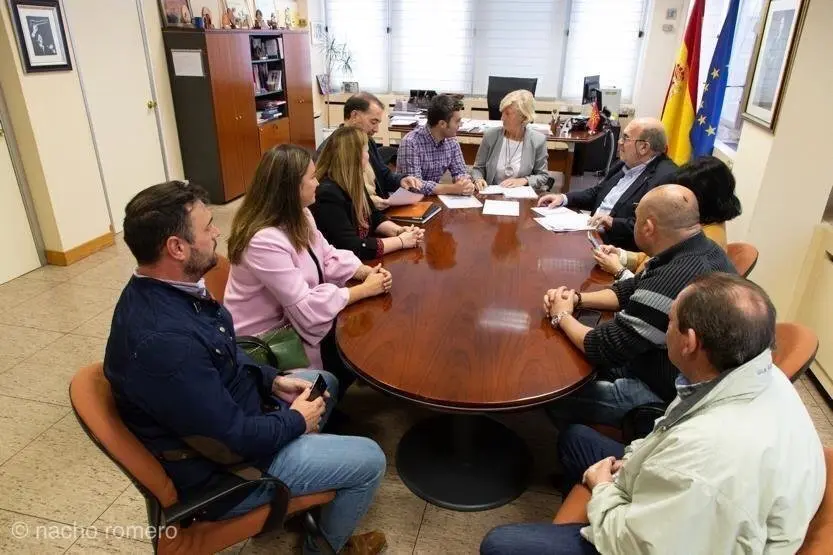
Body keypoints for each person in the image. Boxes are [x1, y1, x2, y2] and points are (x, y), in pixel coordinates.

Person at [104, 181, 388, 554]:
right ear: (177, 247)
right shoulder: (164, 343)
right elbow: (230, 441)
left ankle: (304, 489)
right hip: (228, 474)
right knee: (371, 459)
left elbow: (225, 351)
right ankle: (322, 549)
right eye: (207, 226)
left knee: (324, 382)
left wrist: (272, 380)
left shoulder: (169, 290)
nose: (216, 232)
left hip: (236, 421)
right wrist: (295, 421)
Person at [482, 273, 825, 555]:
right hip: (679, 494)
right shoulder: (749, 372)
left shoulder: (708, 462)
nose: (664, 328)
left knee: (499, 545)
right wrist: (631, 461)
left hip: (651, 537)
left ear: (689, 342)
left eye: (670, 321)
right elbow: (669, 435)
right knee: (576, 439)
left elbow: (635, 544)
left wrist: (602, 490)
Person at [543, 185, 736, 425]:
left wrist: (562, 316)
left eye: (636, 219)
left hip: (666, 391)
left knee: (556, 394)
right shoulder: (697, 248)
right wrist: (577, 298)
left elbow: (603, 347)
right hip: (658, 359)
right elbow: (629, 289)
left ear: (648, 227)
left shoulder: (676, 276)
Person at [224, 145, 392, 400]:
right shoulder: (263, 240)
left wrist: (363, 271)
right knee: (354, 335)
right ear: (291, 187)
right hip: (270, 341)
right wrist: (364, 289)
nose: (318, 183)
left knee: (361, 326)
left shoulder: (301, 215)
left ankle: (337, 393)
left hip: (299, 322)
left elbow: (326, 255)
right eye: (312, 177)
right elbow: (305, 307)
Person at [537, 118, 677, 250]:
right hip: (590, 233)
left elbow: (648, 227)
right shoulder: (624, 164)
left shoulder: (665, 179)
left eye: (625, 138)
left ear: (644, 147)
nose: (620, 142)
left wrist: (612, 222)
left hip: (614, 247)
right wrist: (563, 198)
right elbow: (597, 193)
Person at [594, 156, 742, 280]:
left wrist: (619, 270)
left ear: (699, 199)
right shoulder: (700, 225)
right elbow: (656, 258)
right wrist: (621, 255)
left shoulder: (703, 243)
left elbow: (656, 287)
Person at [311, 126, 424, 261]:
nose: (368, 156)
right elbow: (353, 247)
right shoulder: (327, 194)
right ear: (353, 157)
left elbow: (373, 217)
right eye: (366, 151)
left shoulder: (352, 182)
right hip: (345, 265)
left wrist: (399, 231)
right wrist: (401, 241)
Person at [316, 92, 421, 209]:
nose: (376, 129)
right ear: (354, 116)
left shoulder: (367, 141)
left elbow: (383, 174)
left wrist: (401, 180)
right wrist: (368, 203)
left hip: (381, 210)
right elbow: (334, 198)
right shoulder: (329, 150)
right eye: (373, 122)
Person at [396, 94, 476, 196]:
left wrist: (465, 184)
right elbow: (414, 186)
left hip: (433, 198)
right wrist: (452, 188)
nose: (460, 125)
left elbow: (460, 172)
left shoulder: (451, 141)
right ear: (442, 124)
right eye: (457, 122)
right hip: (408, 200)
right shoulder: (411, 143)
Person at [470, 90, 549, 191]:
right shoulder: (490, 136)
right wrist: (478, 179)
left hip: (521, 196)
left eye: (507, 114)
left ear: (524, 117)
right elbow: (478, 168)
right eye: (502, 113)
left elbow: (543, 176)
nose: (502, 118)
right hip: (492, 194)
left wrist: (524, 180)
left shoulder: (538, 140)